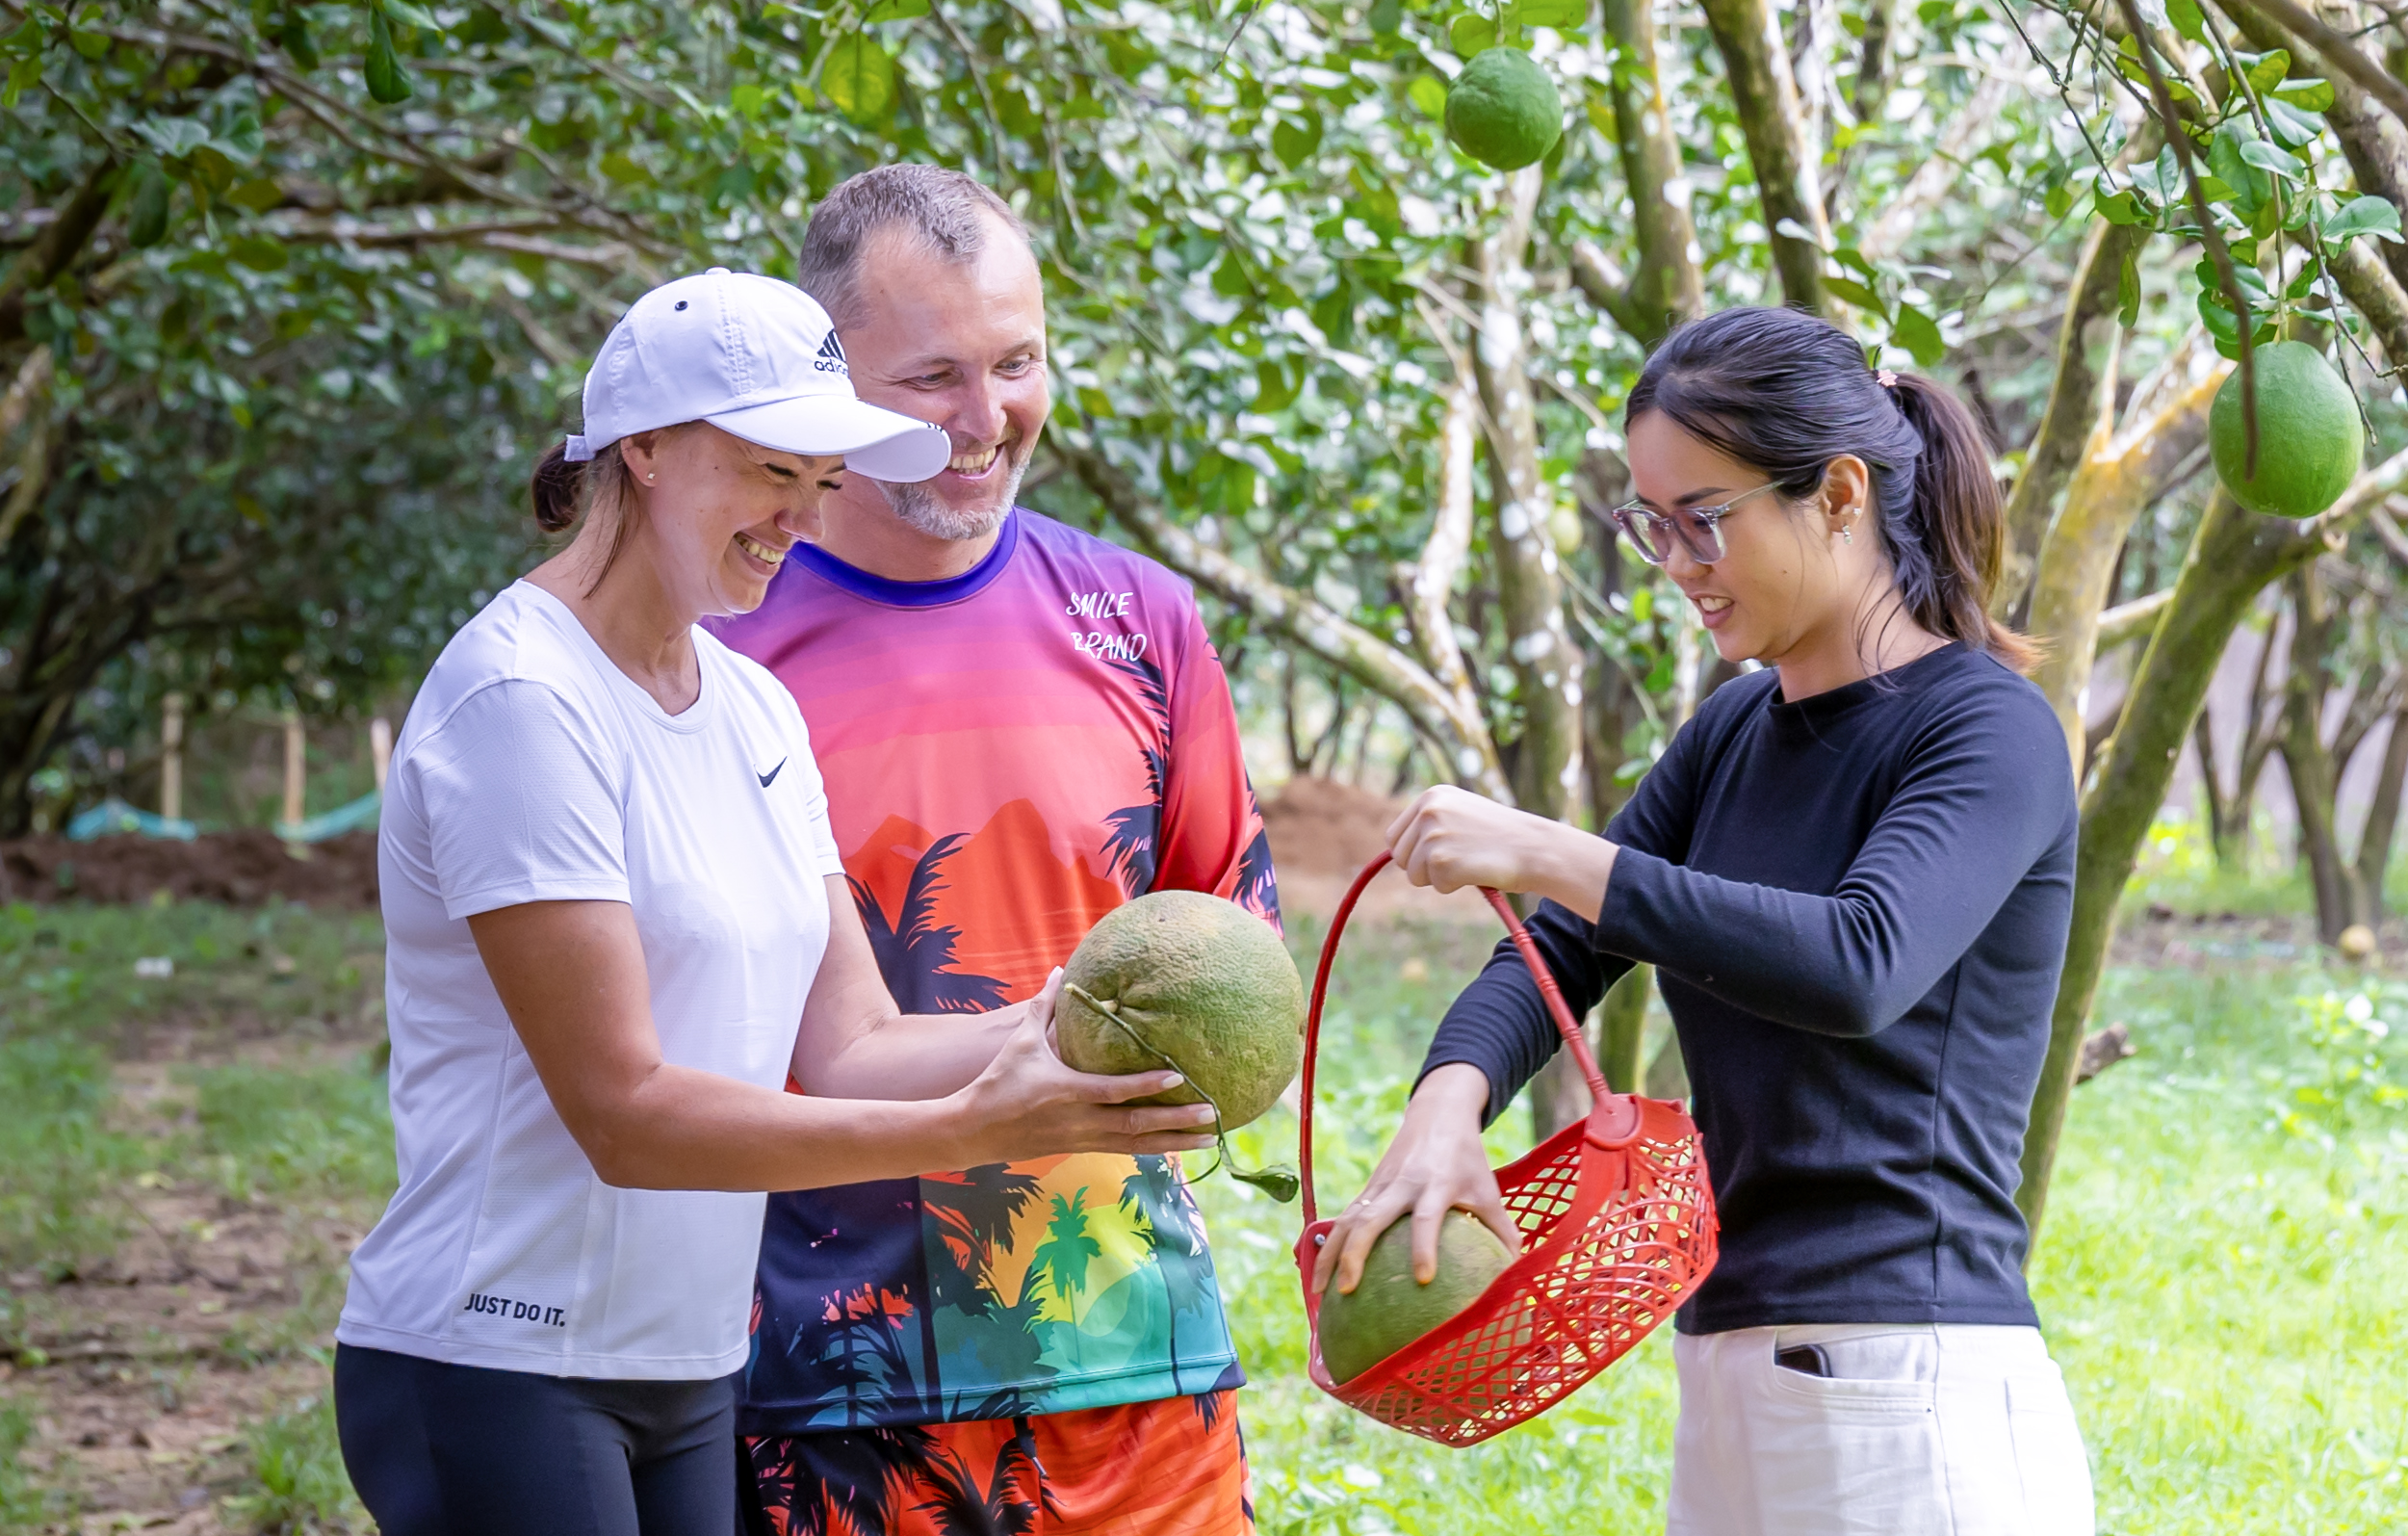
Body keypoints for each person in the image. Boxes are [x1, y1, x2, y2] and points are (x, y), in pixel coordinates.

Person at [331, 268, 1218, 1536]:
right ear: (644, 447)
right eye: (769, 470)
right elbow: (626, 1114)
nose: (801, 515)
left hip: (687, 1358)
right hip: (498, 1353)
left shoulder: (752, 708)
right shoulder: (522, 700)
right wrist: (971, 1124)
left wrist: (1069, 1026)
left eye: (822, 478)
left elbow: (853, 1042)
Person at [1315, 306, 2096, 1536]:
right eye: (1651, 522)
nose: (1676, 561)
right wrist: (1445, 1103)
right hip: (1732, 1368)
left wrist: (1548, 847)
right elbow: (1561, 946)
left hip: (1909, 1389)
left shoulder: (1985, 729)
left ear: (1837, 494)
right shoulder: (1732, 729)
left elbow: (1856, 961)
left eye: (1704, 517)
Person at [712, 167, 1278, 1534]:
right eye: (933, 378)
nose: (986, 419)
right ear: (827, 381)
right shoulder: (715, 647)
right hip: (826, 1371)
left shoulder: (1140, 619)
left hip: (1128, 1350)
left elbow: (1239, 958)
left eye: (1016, 363)